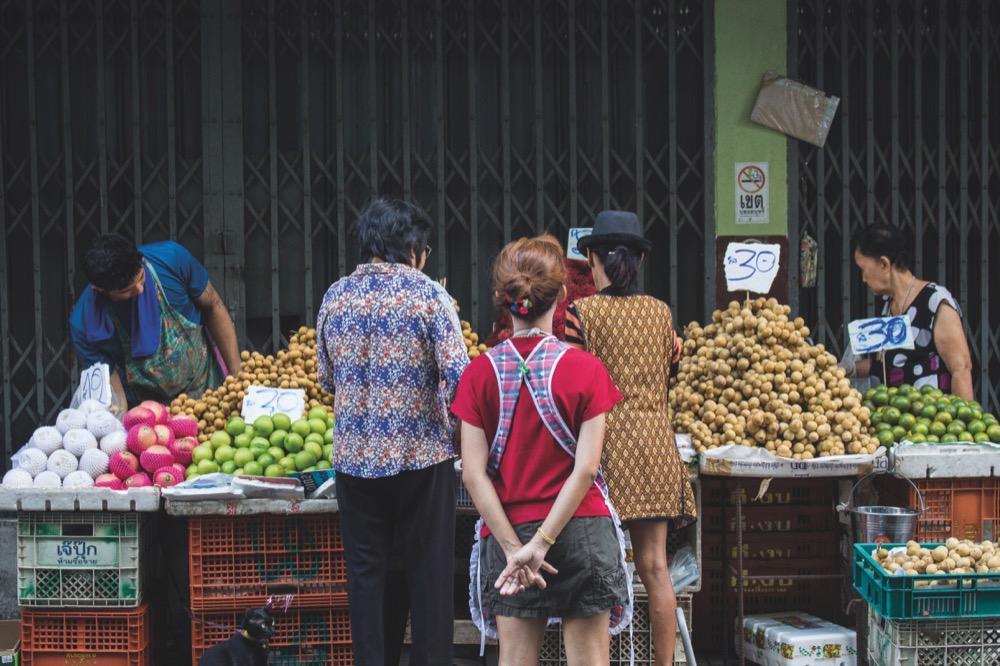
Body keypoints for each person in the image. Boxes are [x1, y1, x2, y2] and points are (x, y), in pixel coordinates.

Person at [452, 235, 632, 665]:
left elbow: (473, 474)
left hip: (508, 528)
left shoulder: (479, 374)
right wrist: (545, 541)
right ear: (563, 296)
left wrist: (518, 550)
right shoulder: (585, 368)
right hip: (581, 531)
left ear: (503, 298)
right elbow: (585, 469)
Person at [316, 197, 469, 666]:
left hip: (355, 465)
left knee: (366, 578)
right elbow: (461, 382)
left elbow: (325, 378)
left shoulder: (334, 296)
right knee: (429, 575)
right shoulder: (428, 295)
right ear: (414, 250)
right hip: (421, 460)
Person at [564, 210, 697, 665]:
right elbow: (670, 372)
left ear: (594, 261)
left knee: (600, 569)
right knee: (655, 567)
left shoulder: (581, 315)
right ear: (637, 262)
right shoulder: (662, 315)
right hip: (656, 448)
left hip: (602, 451)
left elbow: (570, 385)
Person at [69, 234, 240, 408]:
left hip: (208, 390)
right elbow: (115, 396)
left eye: (141, 277)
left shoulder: (170, 259)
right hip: (151, 414)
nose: (140, 288)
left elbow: (214, 306)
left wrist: (237, 381)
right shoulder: (84, 324)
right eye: (128, 291)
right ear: (100, 289)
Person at [850, 224, 973, 400]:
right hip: (897, 422)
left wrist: (964, 424)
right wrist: (845, 368)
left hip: (933, 422)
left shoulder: (935, 301)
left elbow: (961, 368)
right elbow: (886, 364)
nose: (863, 279)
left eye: (863, 270)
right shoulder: (889, 307)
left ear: (884, 264)